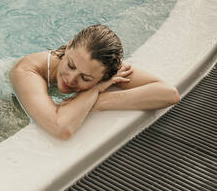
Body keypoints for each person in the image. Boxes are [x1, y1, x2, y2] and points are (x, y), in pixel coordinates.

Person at [10, 24, 180, 140]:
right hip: (5, 104)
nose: (71, 79)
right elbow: (61, 129)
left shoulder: (102, 67)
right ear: (69, 46)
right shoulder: (27, 69)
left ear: (105, 77)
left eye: (86, 78)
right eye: (70, 65)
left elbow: (169, 94)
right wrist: (92, 90)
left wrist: (98, 100)